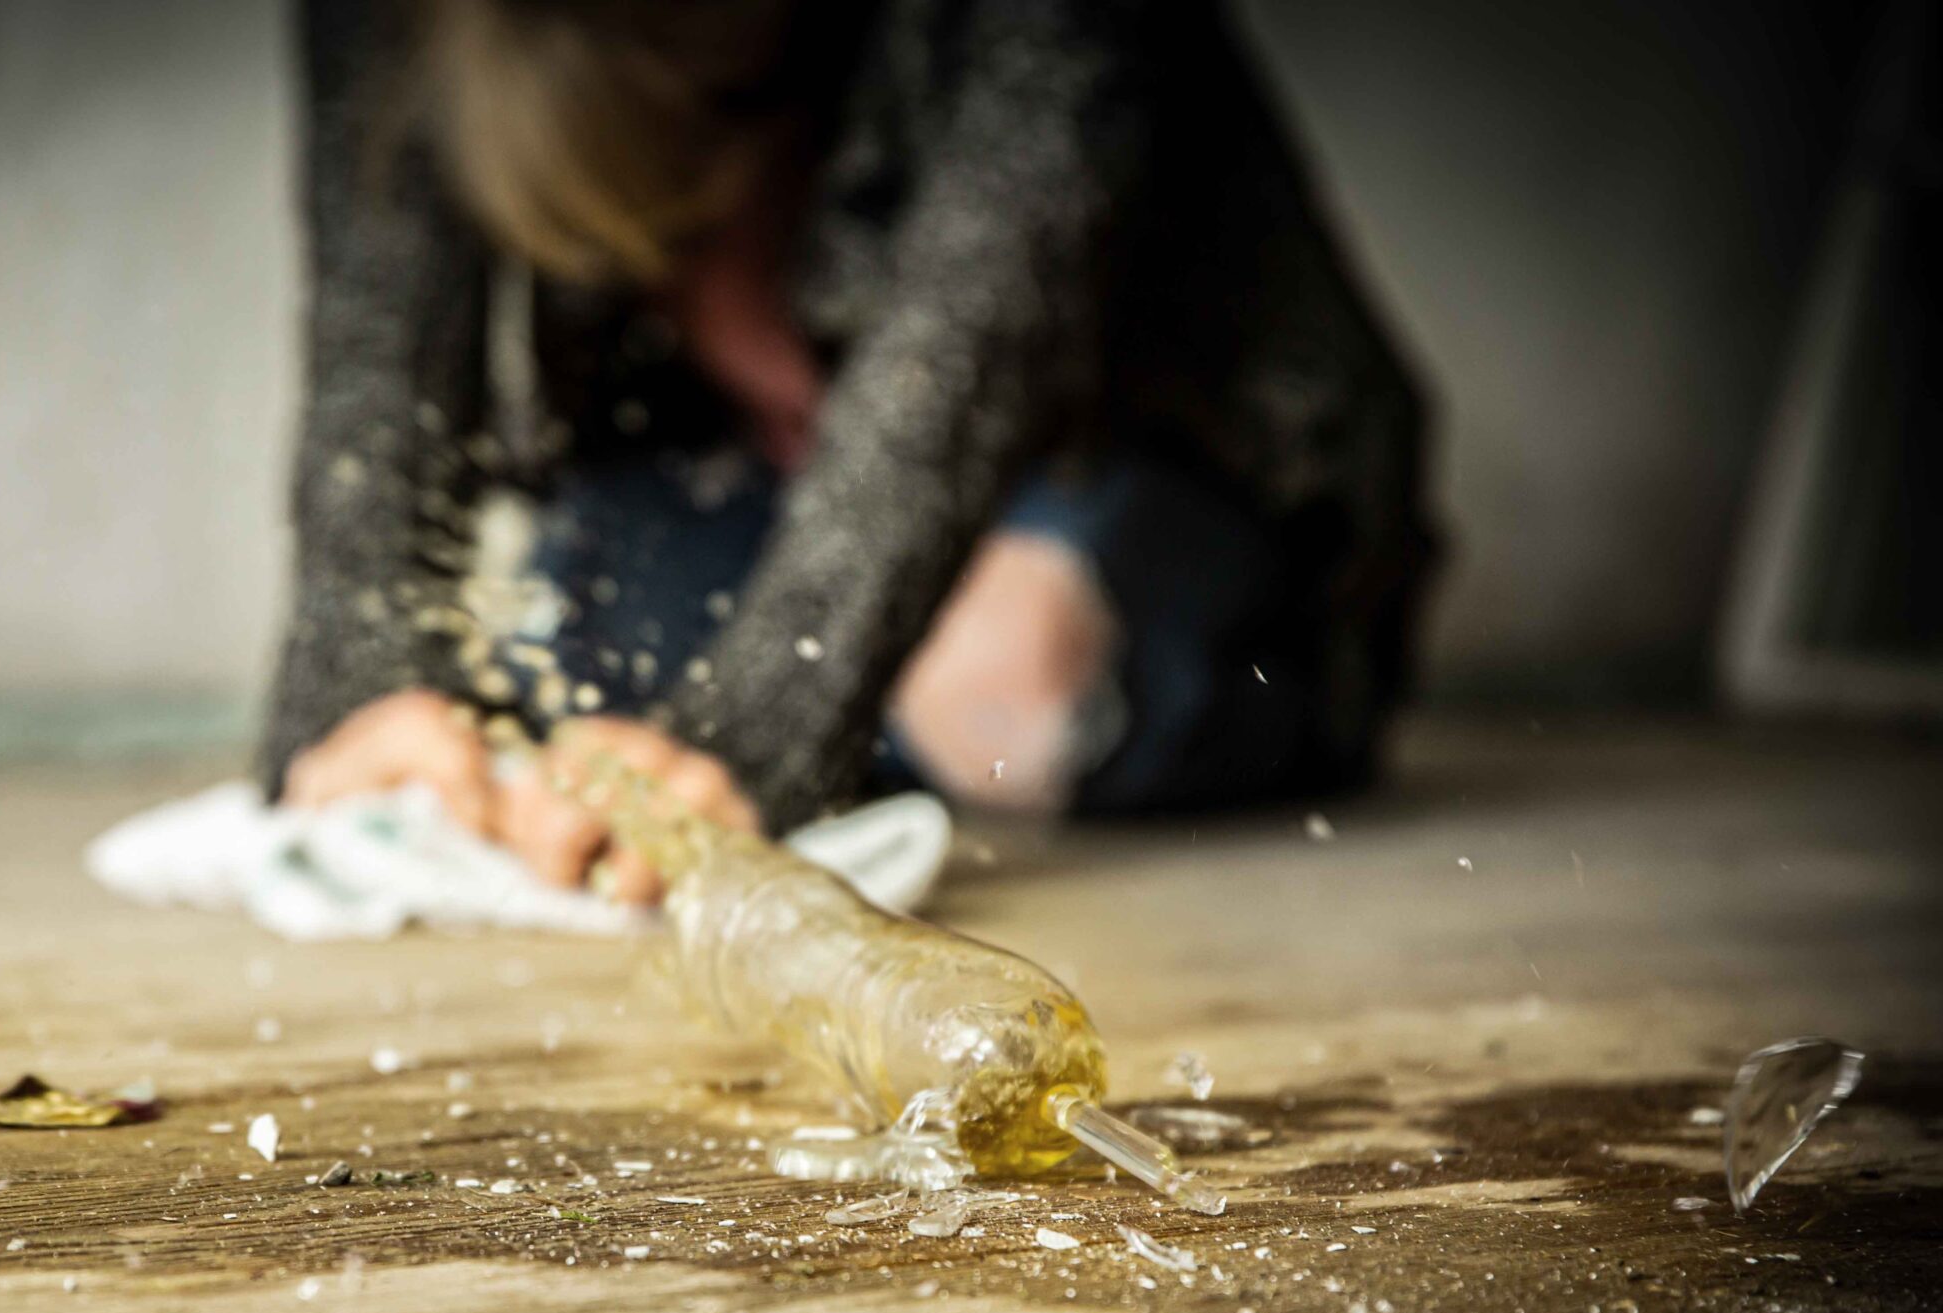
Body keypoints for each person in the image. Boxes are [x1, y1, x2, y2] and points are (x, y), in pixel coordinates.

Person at [269, 0, 1436, 903]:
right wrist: (368, 683)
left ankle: (960, 723)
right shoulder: (437, 59)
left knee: (1016, 687)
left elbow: (980, 331)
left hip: (1126, 456)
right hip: (769, 482)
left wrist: (754, 736)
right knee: (569, 688)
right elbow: (377, 329)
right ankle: (882, 735)